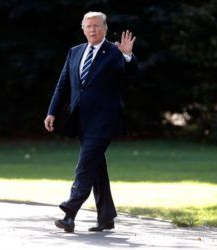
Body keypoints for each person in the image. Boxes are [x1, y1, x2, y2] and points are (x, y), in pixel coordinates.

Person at [44, 11, 138, 233]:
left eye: (97, 26)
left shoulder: (114, 52)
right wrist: (52, 112)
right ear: (83, 29)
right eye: (89, 26)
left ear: (105, 28)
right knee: (95, 167)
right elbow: (62, 85)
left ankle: (69, 213)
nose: (93, 29)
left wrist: (127, 56)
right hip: (81, 120)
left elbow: (131, 75)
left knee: (85, 164)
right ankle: (106, 217)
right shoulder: (75, 52)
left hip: (104, 120)